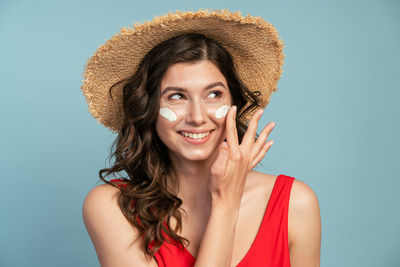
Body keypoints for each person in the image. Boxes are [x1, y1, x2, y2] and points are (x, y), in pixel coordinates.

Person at [80, 9, 321, 267]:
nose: (197, 116)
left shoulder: (295, 204)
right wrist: (226, 204)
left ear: (234, 103)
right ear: (149, 109)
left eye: (213, 94)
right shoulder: (112, 207)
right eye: (177, 96)